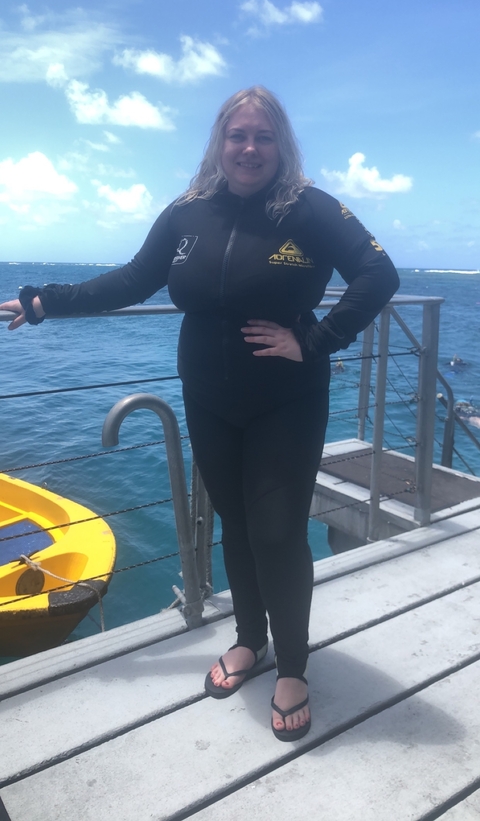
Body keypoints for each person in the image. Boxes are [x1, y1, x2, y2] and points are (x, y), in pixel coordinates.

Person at [0, 86, 399, 741]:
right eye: (237, 135)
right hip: (209, 398)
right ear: (220, 142)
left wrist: (319, 338)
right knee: (236, 526)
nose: (248, 148)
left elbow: (378, 274)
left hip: (286, 399)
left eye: (262, 136)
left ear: (280, 145)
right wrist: (46, 301)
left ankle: (293, 666)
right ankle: (251, 640)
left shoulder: (309, 207)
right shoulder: (188, 213)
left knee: (276, 532)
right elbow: (131, 280)